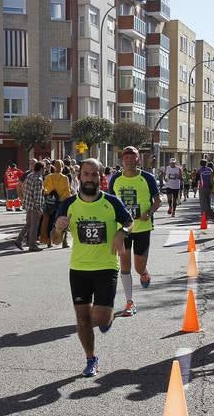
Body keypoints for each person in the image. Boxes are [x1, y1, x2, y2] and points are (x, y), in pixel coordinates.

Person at [51, 159, 132, 377]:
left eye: (94, 174)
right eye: (85, 174)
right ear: (79, 177)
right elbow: (55, 240)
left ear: (100, 177)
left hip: (106, 266)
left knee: (102, 318)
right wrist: (58, 231)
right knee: (82, 318)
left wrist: (121, 232)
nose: (89, 178)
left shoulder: (112, 202)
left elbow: (129, 220)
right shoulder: (68, 205)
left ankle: (109, 317)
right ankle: (91, 358)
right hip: (79, 268)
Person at [108, 146, 161, 317]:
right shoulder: (115, 179)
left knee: (139, 267)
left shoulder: (147, 178)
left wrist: (149, 213)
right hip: (123, 229)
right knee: (124, 265)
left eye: (133, 157)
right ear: (122, 160)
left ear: (138, 159)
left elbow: (158, 201)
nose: (129, 160)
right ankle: (129, 302)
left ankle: (144, 274)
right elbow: (110, 204)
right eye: (126, 157)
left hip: (142, 228)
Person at [14, 161, 44, 252]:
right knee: (34, 226)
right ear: (41, 169)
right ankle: (32, 245)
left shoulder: (29, 175)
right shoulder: (38, 179)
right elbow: (37, 195)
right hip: (34, 206)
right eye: (44, 168)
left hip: (28, 204)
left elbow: (24, 189)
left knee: (29, 224)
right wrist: (39, 207)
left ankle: (19, 240)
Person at [41, 160, 72, 248]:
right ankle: (64, 241)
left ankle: (48, 241)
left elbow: (44, 188)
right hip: (61, 203)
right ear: (62, 167)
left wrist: (50, 193)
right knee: (63, 222)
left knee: (49, 221)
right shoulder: (64, 178)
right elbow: (67, 192)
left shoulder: (48, 177)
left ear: (54, 167)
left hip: (50, 201)